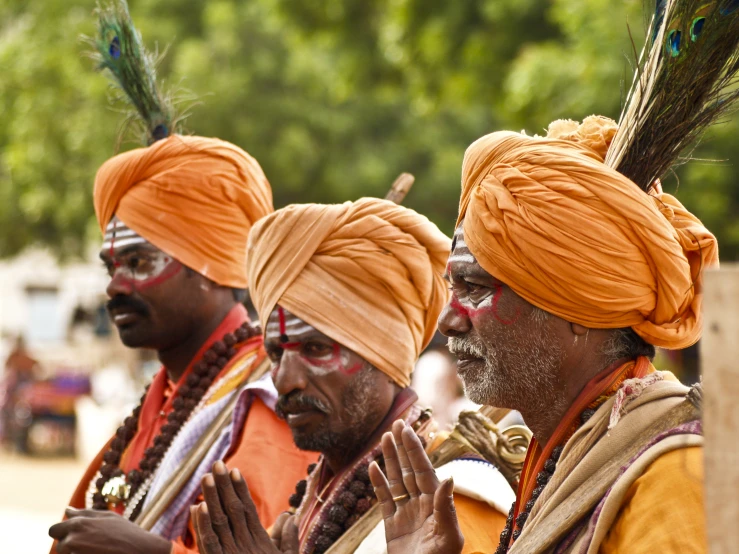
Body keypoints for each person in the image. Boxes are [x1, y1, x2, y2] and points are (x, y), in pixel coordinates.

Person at [48, 4, 316, 553]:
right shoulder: (165, 394)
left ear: (215, 264)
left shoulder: (269, 396)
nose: (116, 286)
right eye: (111, 266)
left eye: (140, 262)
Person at [190, 198, 516, 553]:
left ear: (384, 354)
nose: (284, 382)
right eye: (275, 353)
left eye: (315, 349)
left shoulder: (453, 506)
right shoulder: (317, 497)